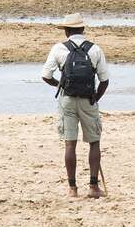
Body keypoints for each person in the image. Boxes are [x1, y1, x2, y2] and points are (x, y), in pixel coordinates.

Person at [40, 13, 110, 198]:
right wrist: (96, 98)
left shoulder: (58, 49)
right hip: (89, 99)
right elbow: (104, 80)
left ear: (66, 31)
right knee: (94, 142)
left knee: (70, 144)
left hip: (67, 100)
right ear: (82, 29)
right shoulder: (95, 49)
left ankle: (72, 188)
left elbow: (46, 76)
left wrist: (60, 85)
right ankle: (94, 187)